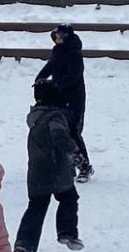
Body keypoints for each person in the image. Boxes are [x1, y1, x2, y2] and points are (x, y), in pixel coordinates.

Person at [13, 80, 83, 252]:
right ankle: (66, 232)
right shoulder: (55, 117)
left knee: (36, 208)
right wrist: (74, 152)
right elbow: (59, 135)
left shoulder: (35, 118)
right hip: (56, 169)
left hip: (36, 171)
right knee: (69, 197)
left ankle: (23, 249)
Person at [36, 24, 92, 183]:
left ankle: (84, 166)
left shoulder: (75, 54)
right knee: (58, 132)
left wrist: (57, 85)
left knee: (73, 132)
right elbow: (50, 66)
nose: (57, 39)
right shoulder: (58, 51)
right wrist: (40, 78)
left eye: (60, 36)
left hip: (74, 100)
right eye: (56, 36)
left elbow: (73, 76)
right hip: (59, 98)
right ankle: (65, 165)